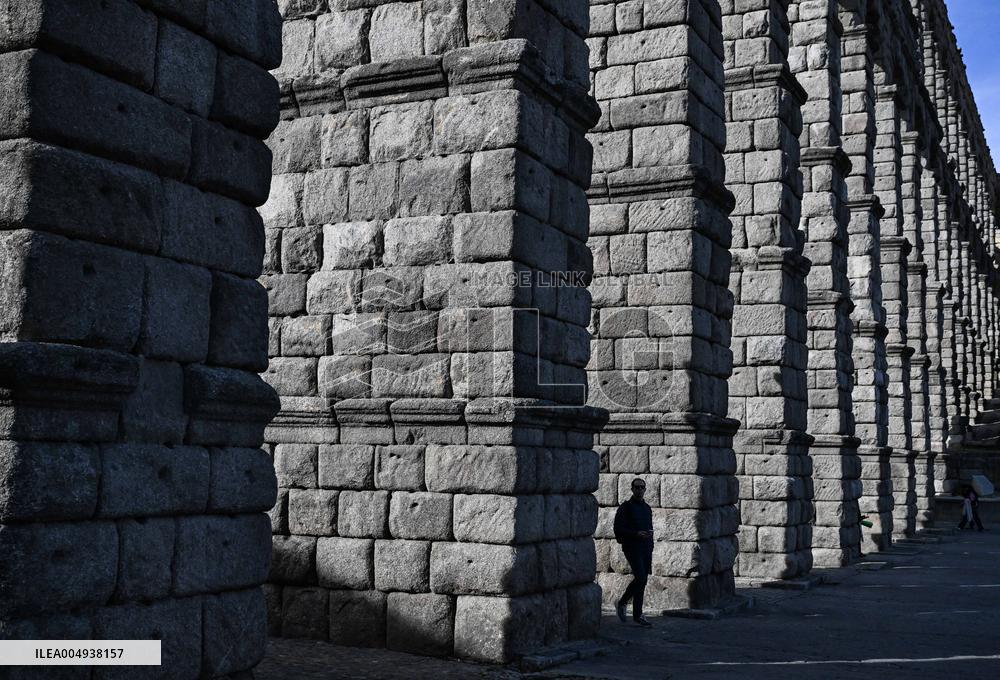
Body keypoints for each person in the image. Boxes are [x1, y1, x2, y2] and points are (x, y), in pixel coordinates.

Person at [614, 477, 654, 627]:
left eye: (642, 487)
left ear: (645, 490)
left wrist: (650, 544)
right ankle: (623, 602)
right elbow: (618, 528)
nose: (639, 490)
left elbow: (649, 528)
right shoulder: (625, 507)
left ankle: (638, 615)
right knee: (640, 577)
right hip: (632, 547)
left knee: (642, 581)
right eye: (636, 487)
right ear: (632, 489)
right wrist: (636, 534)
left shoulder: (647, 508)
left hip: (646, 548)